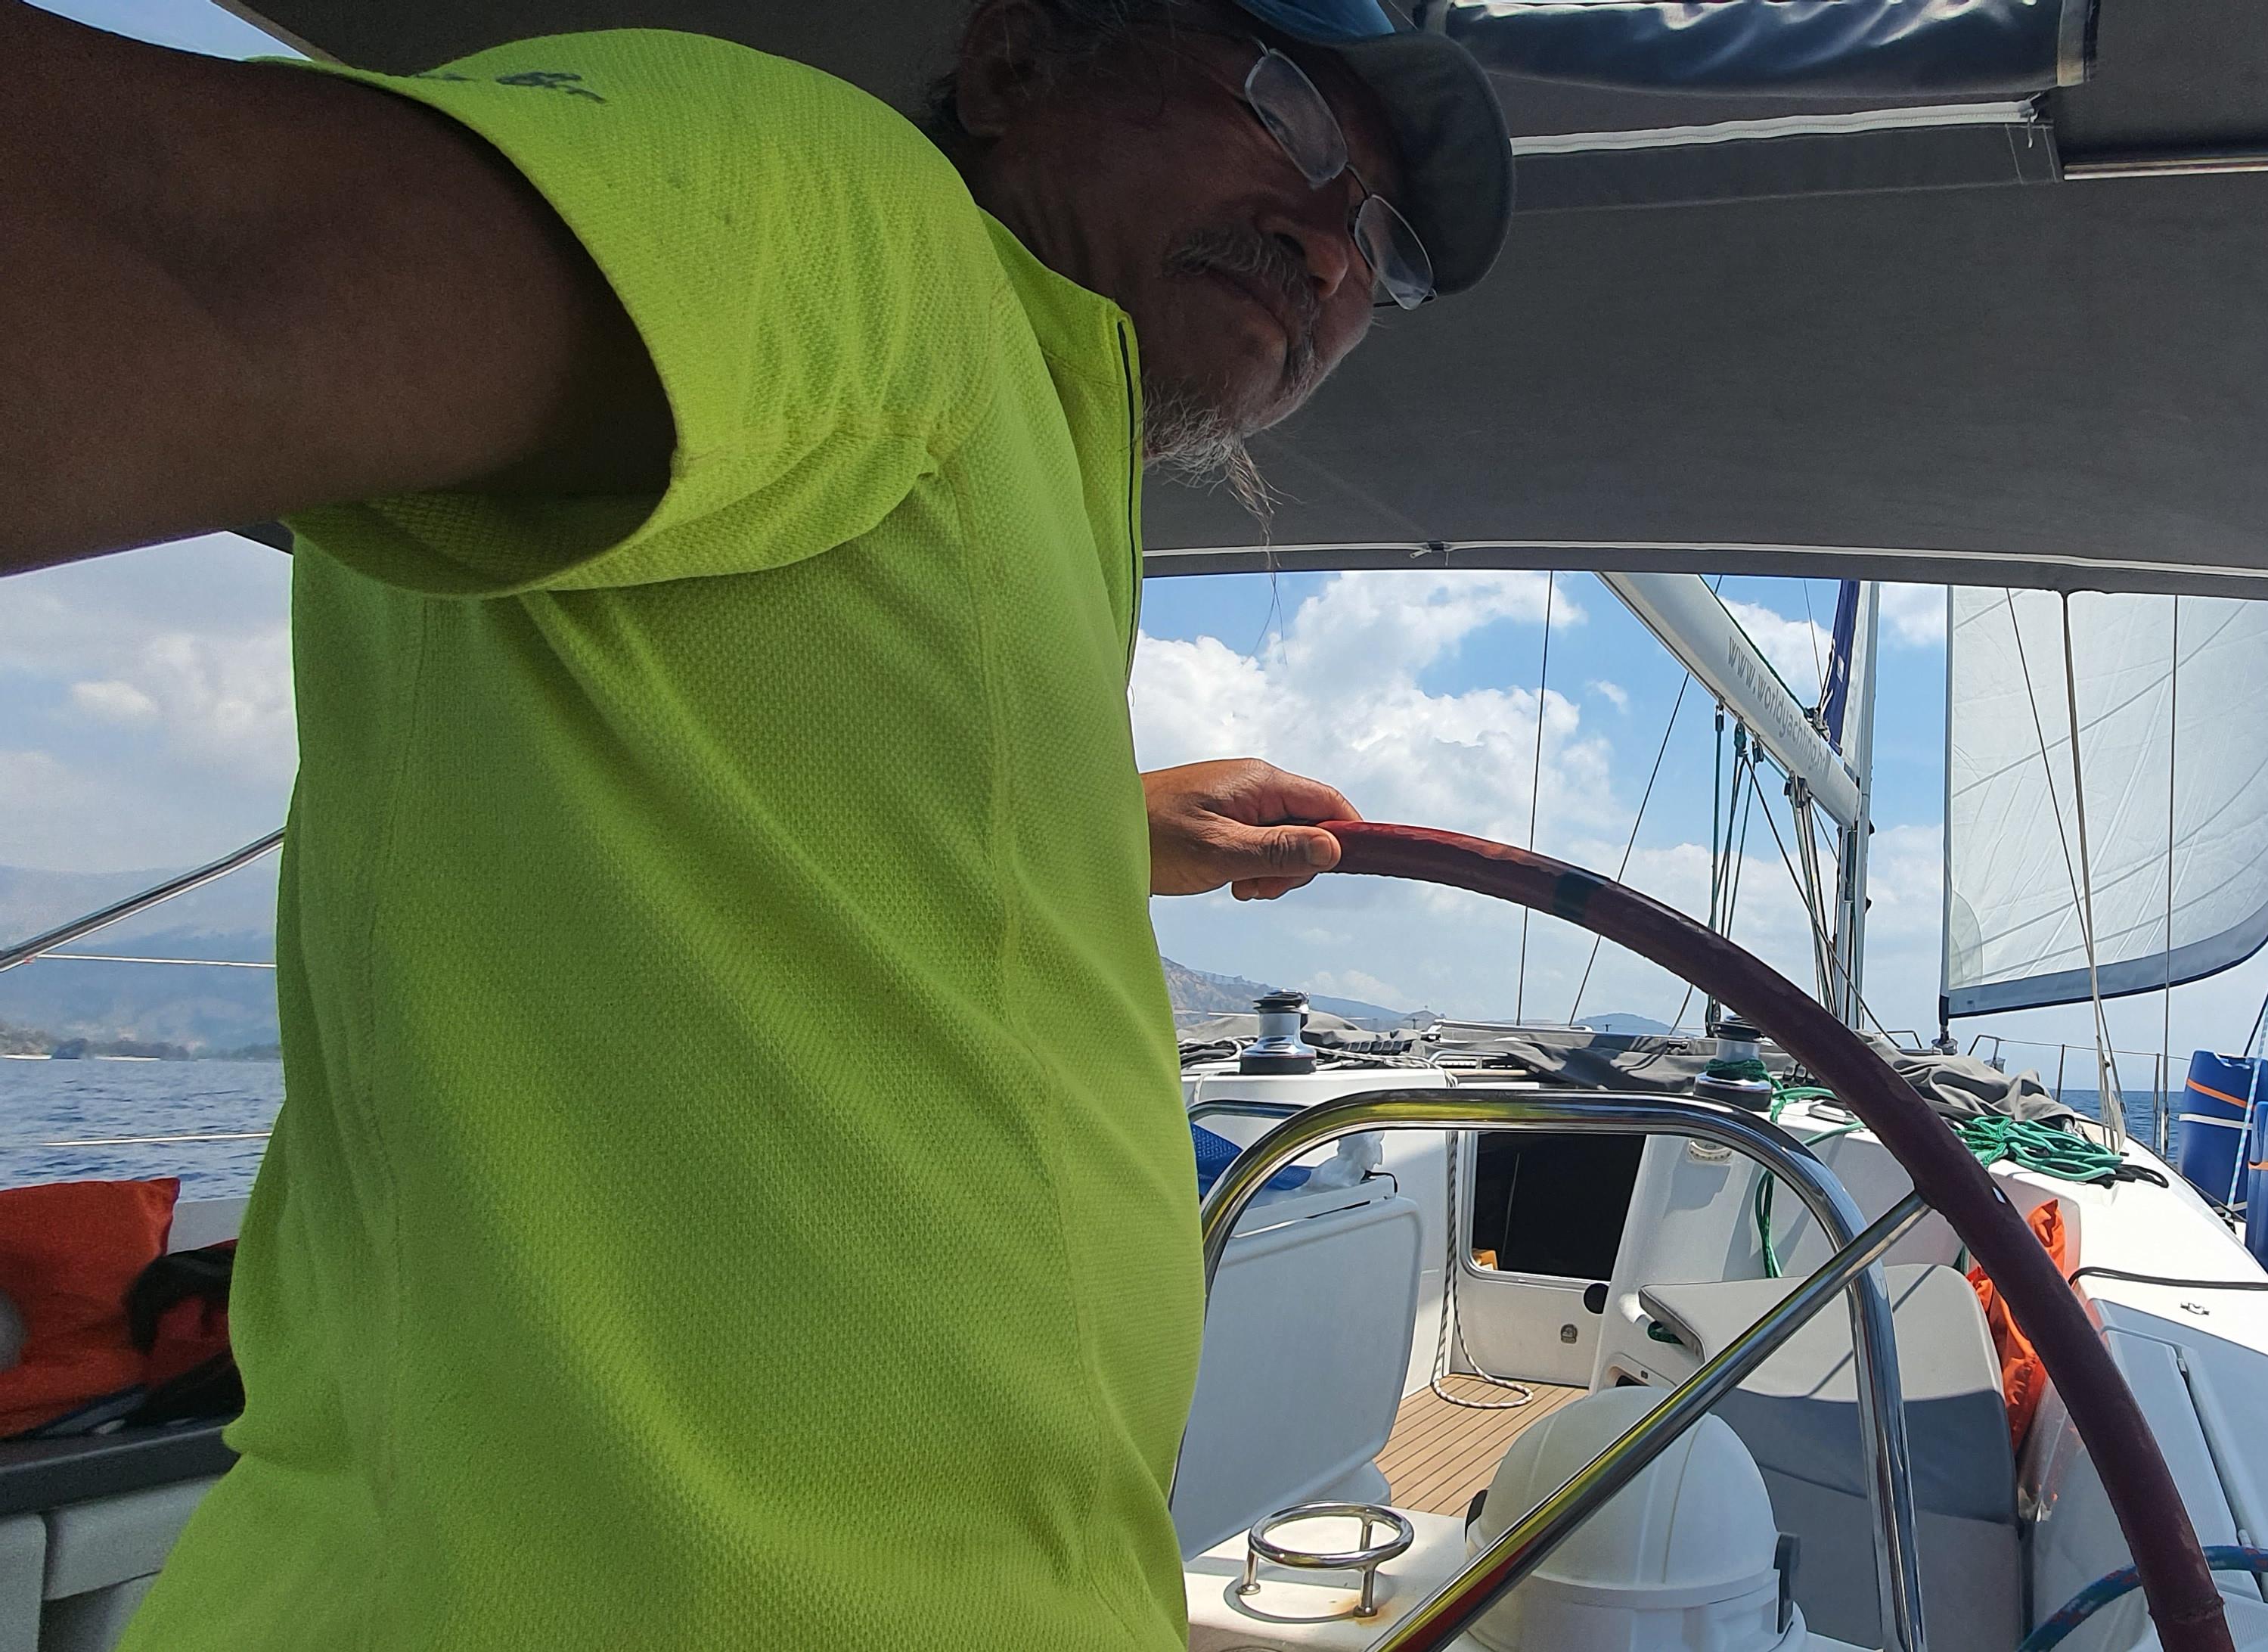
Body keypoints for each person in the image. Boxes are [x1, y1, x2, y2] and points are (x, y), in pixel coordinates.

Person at [0, 0, 1510, 1644]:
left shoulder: (1014, 418)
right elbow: (181, 255)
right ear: (1017, 61)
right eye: (1289, 111)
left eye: (1385, 241)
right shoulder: (855, 220)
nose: (1331, 250)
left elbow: (769, 767)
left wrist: (1104, 823)